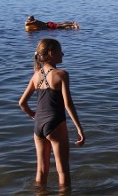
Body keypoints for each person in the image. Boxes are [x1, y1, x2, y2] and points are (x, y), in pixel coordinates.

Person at [18, 38, 85, 188]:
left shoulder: (36, 75)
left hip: (38, 126)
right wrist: (79, 129)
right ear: (51, 53)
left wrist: (33, 115)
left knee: (41, 171)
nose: (63, 53)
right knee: (63, 171)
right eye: (60, 51)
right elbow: (68, 105)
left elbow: (22, 103)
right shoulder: (61, 75)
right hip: (55, 124)